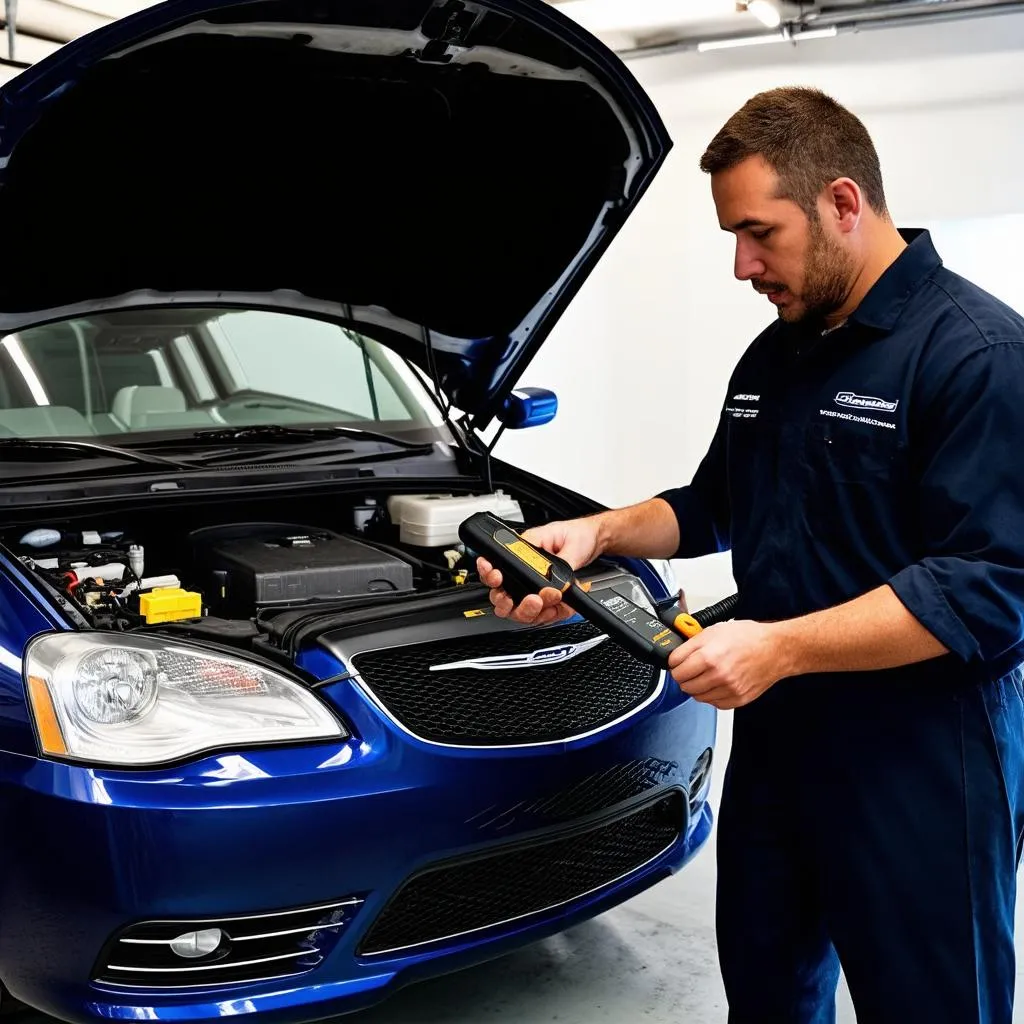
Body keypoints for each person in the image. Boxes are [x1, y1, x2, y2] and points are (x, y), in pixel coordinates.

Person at [477, 86, 1024, 1024]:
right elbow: (715, 506)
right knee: (771, 993)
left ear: (843, 203)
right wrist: (598, 533)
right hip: (779, 744)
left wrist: (779, 647)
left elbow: (990, 588)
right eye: (734, 236)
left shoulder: (977, 355)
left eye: (760, 232)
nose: (742, 264)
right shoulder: (778, 355)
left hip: (923, 760)